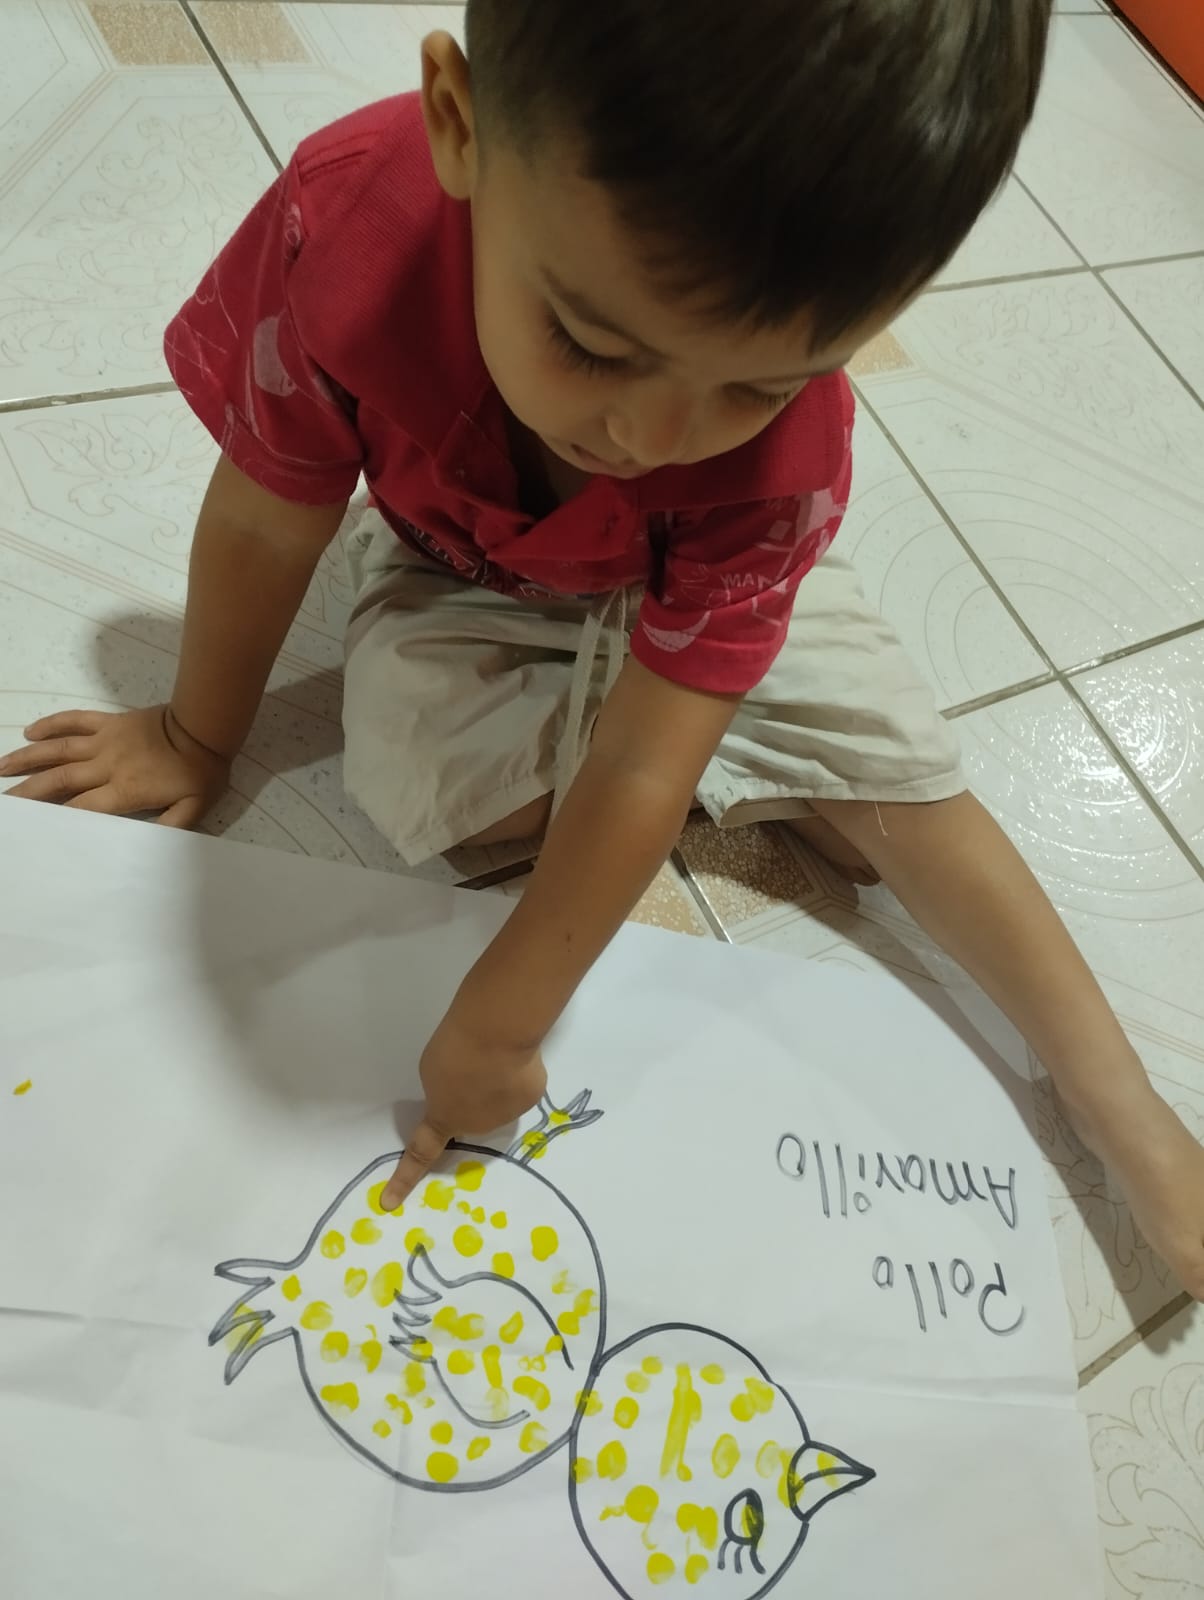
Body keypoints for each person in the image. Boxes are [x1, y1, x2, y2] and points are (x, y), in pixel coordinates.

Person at [2, 0, 1201, 1299]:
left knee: (904, 772)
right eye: (591, 342)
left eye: (759, 383)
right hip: (461, 567)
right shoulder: (343, 223)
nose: (654, 439)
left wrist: (506, 1013)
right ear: (462, 125)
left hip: (714, 577)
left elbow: (638, 766)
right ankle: (761, 764)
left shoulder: (778, 469)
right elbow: (263, 512)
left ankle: (1117, 1094)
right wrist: (194, 734)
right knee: (414, 766)